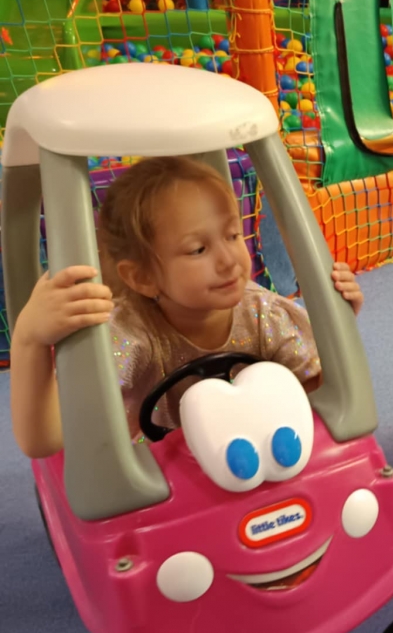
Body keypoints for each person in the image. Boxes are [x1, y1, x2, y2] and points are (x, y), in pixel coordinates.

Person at [10, 155, 363, 459]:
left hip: (255, 460)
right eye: (198, 249)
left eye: (232, 235)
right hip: (163, 482)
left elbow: (322, 396)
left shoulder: (264, 314)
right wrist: (28, 339)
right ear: (143, 277)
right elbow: (46, 440)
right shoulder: (129, 335)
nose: (229, 260)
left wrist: (339, 323)